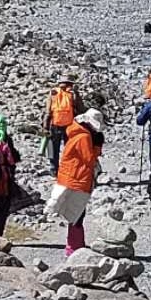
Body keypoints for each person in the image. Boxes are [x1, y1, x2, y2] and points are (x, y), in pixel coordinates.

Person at [47, 108, 105, 255]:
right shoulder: (84, 137)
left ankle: (76, 245)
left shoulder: (76, 133)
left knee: (76, 213)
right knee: (78, 213)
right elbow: (89, 160)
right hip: (78, 179)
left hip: (70, 177)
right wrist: (97, 147)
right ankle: (74, 247)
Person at [44, 73, 83, 176]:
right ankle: (68, 169)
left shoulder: (53, 93)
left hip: (54, 124)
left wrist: (45, 126)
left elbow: (48, 111)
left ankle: (54, 170)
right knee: (69, 149)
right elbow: (80, 109)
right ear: (70, 83)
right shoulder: (72, 93)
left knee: (53, 149)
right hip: (70, 126)